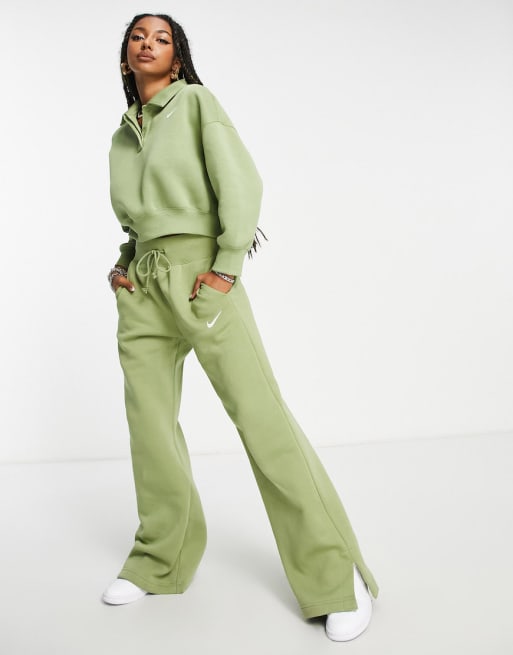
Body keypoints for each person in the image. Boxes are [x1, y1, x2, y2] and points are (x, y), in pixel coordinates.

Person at [103, 12, 379, 642]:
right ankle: (161, 559)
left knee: (261, 420)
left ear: (177, 58)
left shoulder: (196, 103)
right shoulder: (122, 136)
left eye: (161, 38)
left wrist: (226, 268)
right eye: (137, 37)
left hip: (201, 276)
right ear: (125, 58)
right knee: (150, 428)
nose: (147, 44)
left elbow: (241, 182)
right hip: (142, 286)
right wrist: (122, 266)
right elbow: (138, 219)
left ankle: (336, 575)